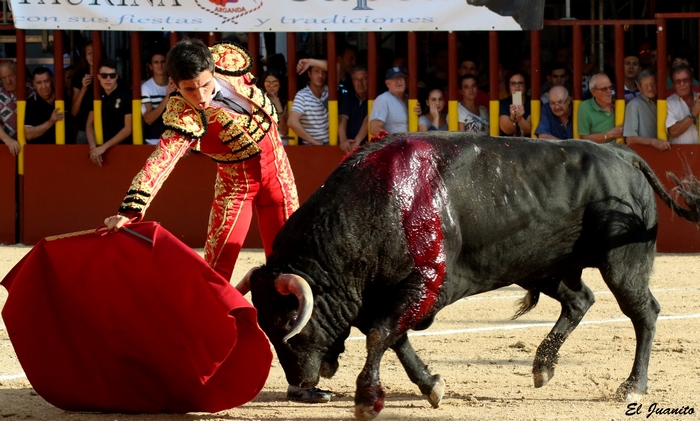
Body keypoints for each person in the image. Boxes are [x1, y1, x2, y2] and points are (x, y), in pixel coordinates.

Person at [100, 39, 329, 404]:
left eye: (206, 85)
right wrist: (130, 209)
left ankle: (302, 378)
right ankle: (197, 369)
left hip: (278, 174)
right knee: (215, 277)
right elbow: (162, 160)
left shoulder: (231, 58)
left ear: (214, 68)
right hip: (235, 184)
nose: (202, 97)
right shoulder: (181, 114)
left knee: (294, 271)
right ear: (174, 86)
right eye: (190, 89)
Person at [86, 58, 133, 166]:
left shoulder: (126, 95)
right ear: (98, 77)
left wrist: (103, 147)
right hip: (100, 149)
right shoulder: (96, 95)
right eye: (104, 76)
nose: (108, 79)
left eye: (112, 76)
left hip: (123, 149)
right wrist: (94, 149)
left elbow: (128, 128)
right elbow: (89, 125)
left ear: (116, 76)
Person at [623, 69, 671, 151]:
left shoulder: (667, 102)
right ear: (639, 88)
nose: (650, 88)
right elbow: (630, 138)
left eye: (652, 84)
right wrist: (653, 142)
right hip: (644, 154)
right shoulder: (634, 105)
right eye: (645, 85)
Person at [288, 63, 329, 145]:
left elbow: (337, 66)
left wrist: (310, 61)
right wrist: (314, 142)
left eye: (323, 72)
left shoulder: (330, 91)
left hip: (333, 145)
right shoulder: (302, 95)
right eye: (316, 72)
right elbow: (292, 121)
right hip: (311, 147)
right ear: (309, 74)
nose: (320, 75)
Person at [577, 72, 623, 143]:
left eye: (610, 87)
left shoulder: (618, 103)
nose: (609, 91)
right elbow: (584, 138)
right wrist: (608, 135)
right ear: (593, 92)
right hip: (597, 152)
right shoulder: (585, 107)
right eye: (604, 89)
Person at [141, 50, 175, 145]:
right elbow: (148, 119)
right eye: (156, 62)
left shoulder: (174, 83)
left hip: (174, 141)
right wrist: (167, 98)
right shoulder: (146, 87)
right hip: (153, 140)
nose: (160, 65)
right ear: (150, 67)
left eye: (162, 62)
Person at [24, 67, 64, 145]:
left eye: (46, 81)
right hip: (41, 153)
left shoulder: (63, 96)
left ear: (52, 80)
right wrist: (51, 121)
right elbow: (29, 135)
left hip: (67, 151)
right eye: (39, 82)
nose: (44, 86)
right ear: (34, 84)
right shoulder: (30, 103)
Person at [369, 67, 409, 136]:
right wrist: (393, 141)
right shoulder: (383, 99)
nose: (399, 81)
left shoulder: (410, 99)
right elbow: (374, 129)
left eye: (401, 78)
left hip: (412, 143)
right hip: (394, 145)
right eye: (395, 79)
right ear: (387, 83)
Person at [666, 63, 700, 144]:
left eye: (685, 80)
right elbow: (673, 132)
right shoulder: (669, 103)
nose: (682, 84)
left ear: (691, 81)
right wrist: (693, 114)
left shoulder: (698, 98)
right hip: (678, 154)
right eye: (678, 81)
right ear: (673, 85)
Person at [338, 65, 368, 153]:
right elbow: (342, 118)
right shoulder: (349, 97)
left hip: (368, 146)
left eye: (364, 78)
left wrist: (357, 142)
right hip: (350, 144)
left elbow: (368, 119)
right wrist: (343, 141)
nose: (360, 83)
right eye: (356, 79)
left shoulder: (376, 97)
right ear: (352, 81)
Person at [71, 41, 94, 144]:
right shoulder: (78, 77)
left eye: (95, 52)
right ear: (85, 56)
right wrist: (83, 89)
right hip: (84, 129)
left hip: (108, 128)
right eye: (89, 53)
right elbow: (74, 111)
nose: (93, 56)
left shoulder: (109, 75)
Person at [258, 70, 289, 143]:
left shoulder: (287, 103)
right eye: (268, 84)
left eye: (275, 83)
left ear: (280, 84)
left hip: (282, 140)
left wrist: (279, 109)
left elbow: (284, 131)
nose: (271, 86)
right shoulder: (259, 100)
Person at [498, 70, 531, 136]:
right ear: (508, 86)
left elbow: (529, 130)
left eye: (520, 83)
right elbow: (507, 130)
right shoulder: (503, 103)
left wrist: (520, 118)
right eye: (513, 83)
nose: (517, 86)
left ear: (526, 85)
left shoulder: (532, 102)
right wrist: (512, 117)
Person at [0, 61, 22, 155]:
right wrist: (7, 140)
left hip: (31, 149)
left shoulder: (31, 91)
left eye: (11, 75)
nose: (8, 81)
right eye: (4, 78)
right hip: (6, 150)